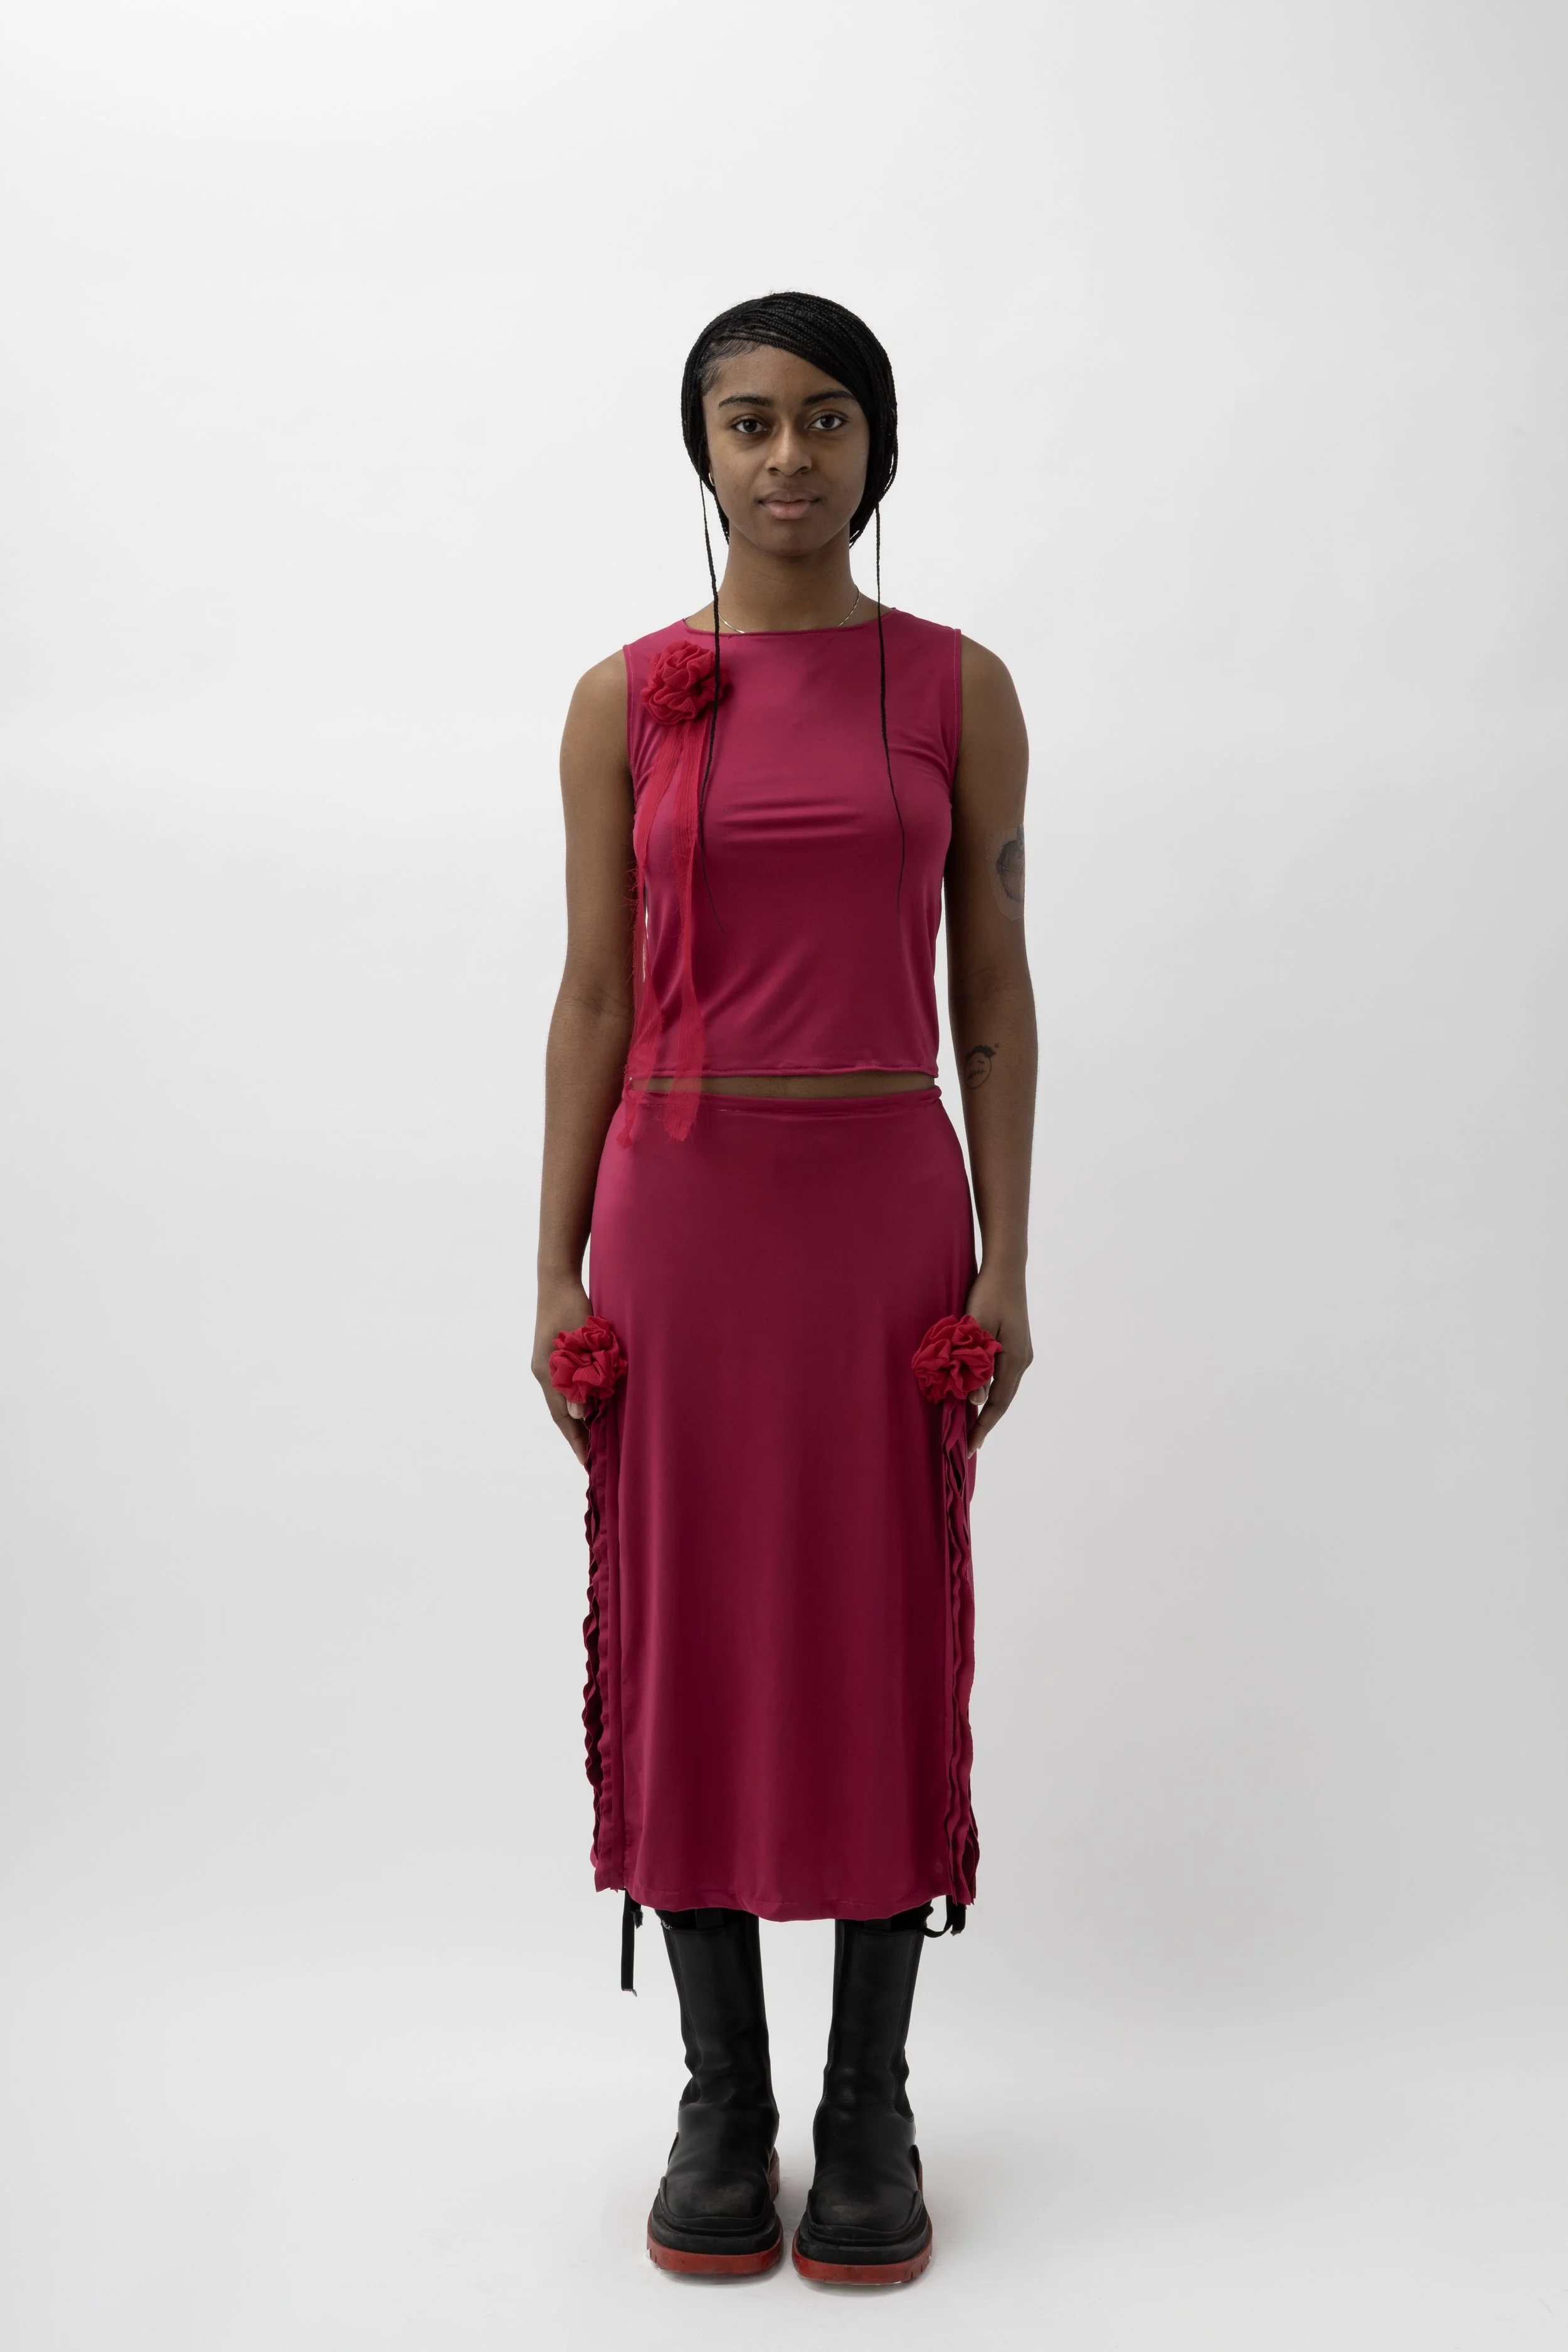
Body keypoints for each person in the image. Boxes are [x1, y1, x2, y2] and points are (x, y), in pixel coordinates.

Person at [532, 291, 1035, 2286]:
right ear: (702, 451)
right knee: (692, 1635)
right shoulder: (624, 697)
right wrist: (550, 1263)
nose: (787, 456)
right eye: (748, 421)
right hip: (681, 1211)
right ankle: (721, 2104)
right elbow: (591, 992)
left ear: (875, 444)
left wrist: (1008, 1256)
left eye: (826, 418)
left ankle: (869, 2105)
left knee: (878, 1628)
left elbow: (992, 995)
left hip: (880, 1207)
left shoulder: (956, 686)